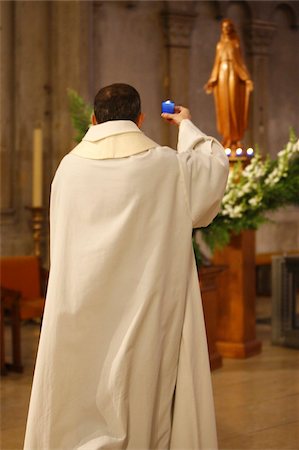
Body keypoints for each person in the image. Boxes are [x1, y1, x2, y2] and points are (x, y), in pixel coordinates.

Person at [24, 83, 229, 450]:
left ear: (92, 118)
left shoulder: (69, 170)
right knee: (143, 388)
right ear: (141, 119)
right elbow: (211, 172)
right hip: (146, 309)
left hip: (82, 309)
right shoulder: (167, 166)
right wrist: (186, 126)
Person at [205, 18, 253, 149]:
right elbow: (217, 63)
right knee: (224, 106)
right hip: (222, 74)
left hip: (233, 72)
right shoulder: (220, 45)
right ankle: (226, 137)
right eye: (224, 27)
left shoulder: (235, 43)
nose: (226, 29)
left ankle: (236, 139)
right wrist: (212, 79)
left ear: (231, 28)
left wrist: (246, 78)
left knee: (233, 104)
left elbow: (240, 62)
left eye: (228, 27)